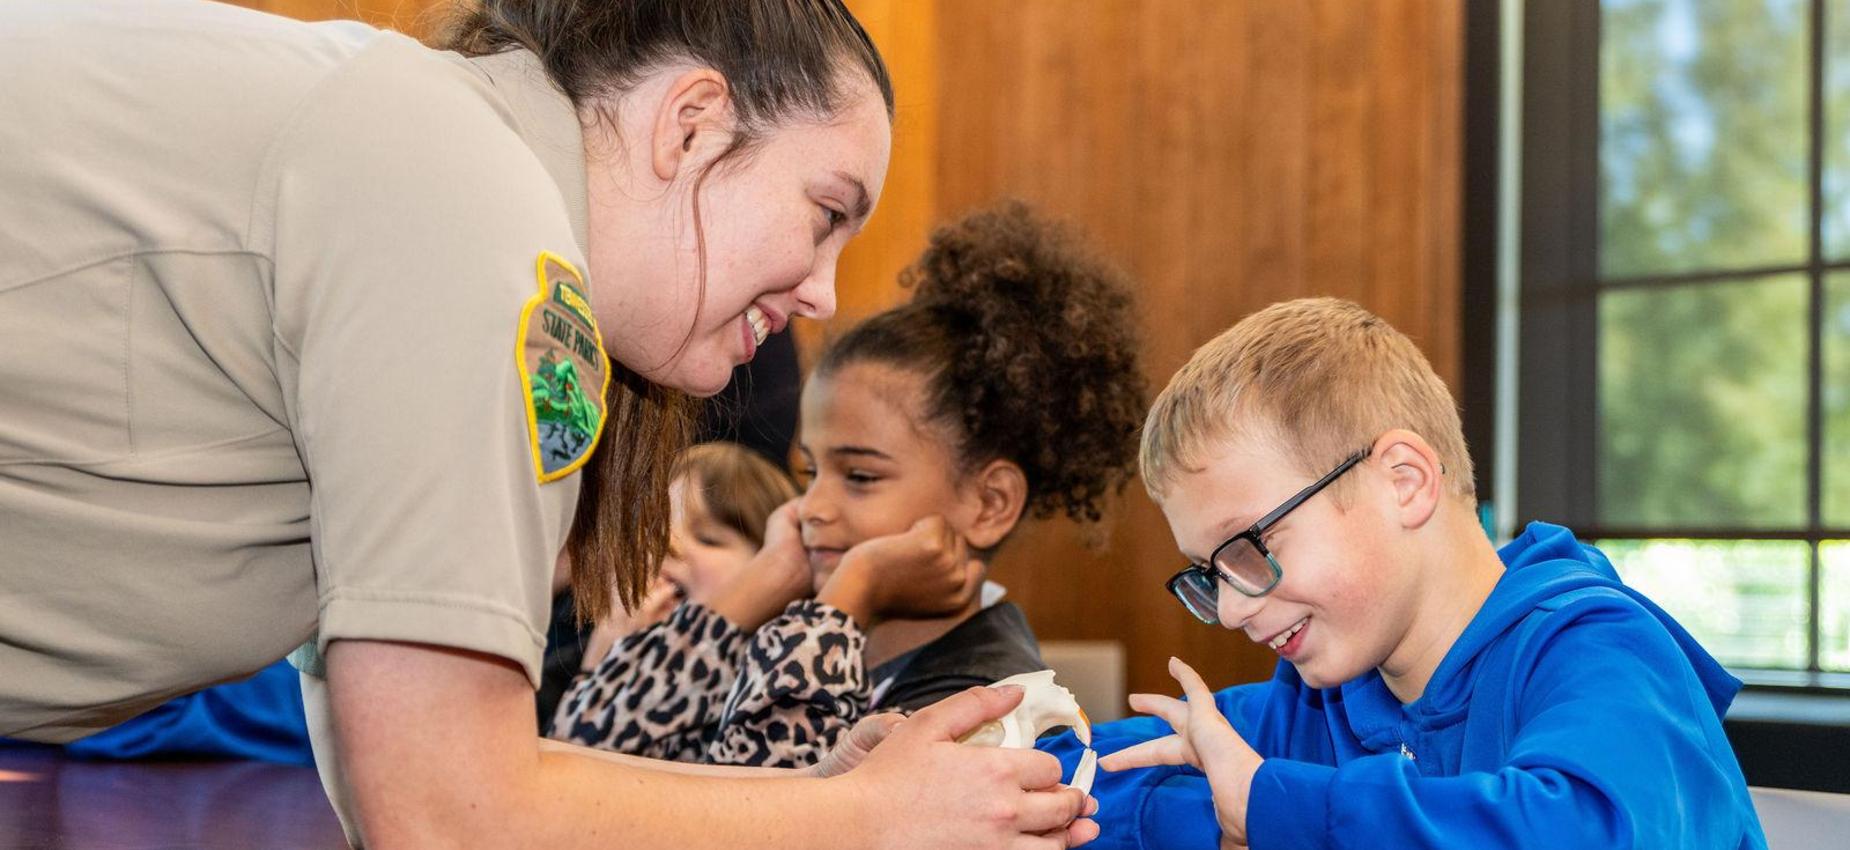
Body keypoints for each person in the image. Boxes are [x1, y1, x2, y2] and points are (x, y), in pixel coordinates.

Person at [0, 2, 1093, 848]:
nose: (820, 291)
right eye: (822, 215)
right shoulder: (469, 211)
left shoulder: (435, 166)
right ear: (692, 123)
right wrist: (866, 820)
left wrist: (815, 797)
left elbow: (407, 774)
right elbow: (445, 810)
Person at [1037, 298, 1767, 849]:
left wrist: (1267, 805)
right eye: (1208, 574)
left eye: (1246, 548)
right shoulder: (1318, 707)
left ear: (1405, 482)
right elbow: (1085, 766)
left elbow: (1579, 827)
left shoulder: (1601, 650)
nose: (1229, 611)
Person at [698, 202, 1150, 767]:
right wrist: (758, 588)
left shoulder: (977, 716)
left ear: (990, 504)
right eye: (809, 472)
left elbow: (761, 817)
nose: (812, 507)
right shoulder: (821, 636)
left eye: (860, 477)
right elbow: (594, 737)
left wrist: (845, 597)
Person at [550, 441, 797, 750]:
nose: (669, 545)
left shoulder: (762, 687)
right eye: (654, 529)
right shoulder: (571, 657)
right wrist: (603, 656)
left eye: (708, 539)